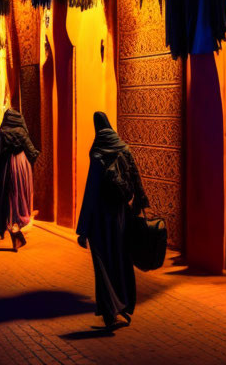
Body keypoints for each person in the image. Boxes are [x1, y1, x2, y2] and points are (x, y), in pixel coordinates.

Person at [76, 112, 149, 330]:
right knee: (120, 258)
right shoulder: (123, 148)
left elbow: (92, 190)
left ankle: (110, 311)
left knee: (102, 263)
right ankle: (123, 303)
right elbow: (135, 176)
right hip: (120, 215)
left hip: (100, 217)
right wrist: (139, 203)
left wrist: (83, 228)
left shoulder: (97, 152)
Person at [0, 109, 39, 250]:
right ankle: (14, 234)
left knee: (9, 200)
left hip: (7, 168)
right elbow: (32, 153)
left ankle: (14, 234)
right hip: (23, 168)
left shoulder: (2, 132)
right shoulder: (22, 132)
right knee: (18, 199)